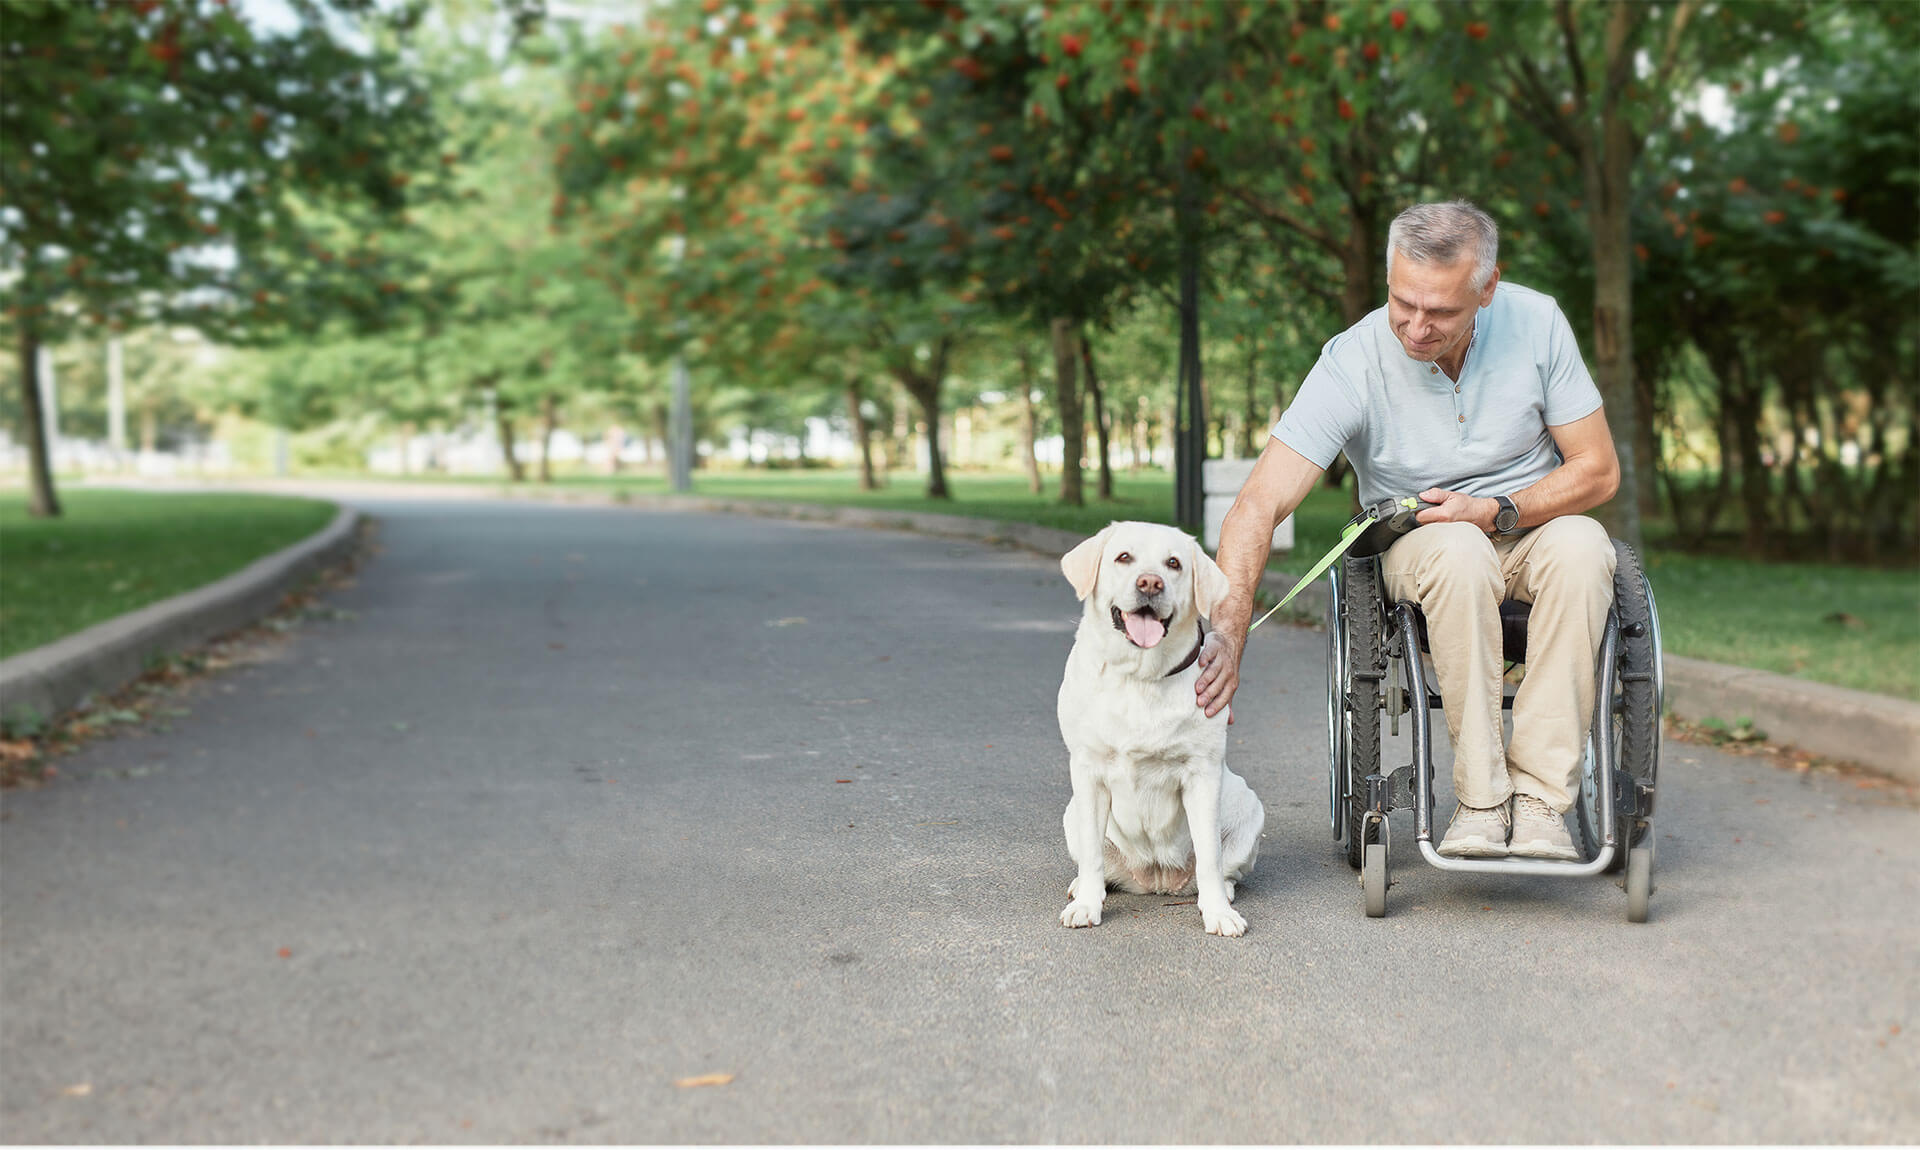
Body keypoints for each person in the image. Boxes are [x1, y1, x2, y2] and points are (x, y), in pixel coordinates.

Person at [1196, 199, 1620, 860]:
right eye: (1402, 302)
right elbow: (1257, 503)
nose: (1416, 327)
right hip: (1423, 545)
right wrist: (1227, 634)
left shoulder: (1537, 324)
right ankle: (1482, 802)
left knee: (1586, 548)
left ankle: (1541, 803)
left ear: (1487, 289)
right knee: (1456, 552)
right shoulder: (1353, 359)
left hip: (1528, 524)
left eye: (1441, 312)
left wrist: (1497, 509)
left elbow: (1597, 470)